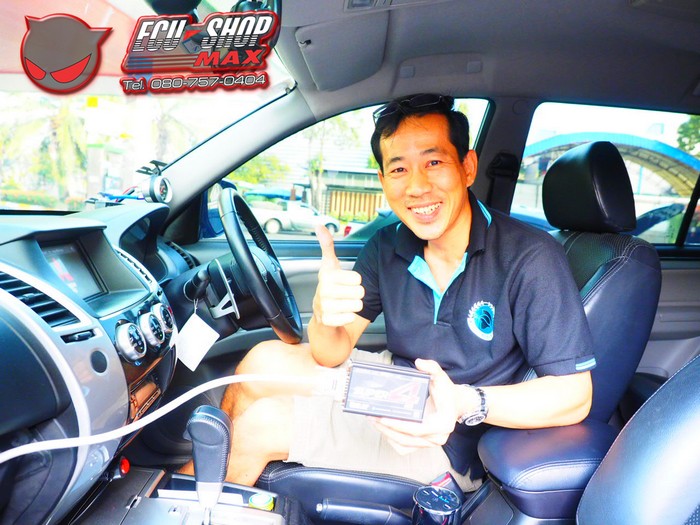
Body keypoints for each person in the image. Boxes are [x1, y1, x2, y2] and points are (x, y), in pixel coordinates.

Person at [213, 93, 596, 491]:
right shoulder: (386, 245)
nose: (417, 187)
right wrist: (325, 318)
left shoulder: (530, 257)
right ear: (383, 181)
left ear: (467, 167)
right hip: (399, 387)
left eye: (434, 162)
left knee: (261, 425)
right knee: (262, 360)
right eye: (399, 169)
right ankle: (207, 497)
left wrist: (464, 402)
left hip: (452, 437)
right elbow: (331, 354)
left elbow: (574, 395)